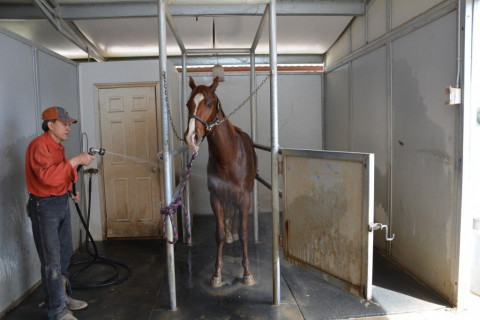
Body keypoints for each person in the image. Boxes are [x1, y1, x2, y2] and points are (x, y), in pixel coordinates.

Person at [25, 106, 95, 320]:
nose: (68, 128)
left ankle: (60, 297)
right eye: (64, 124)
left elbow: (62, 174)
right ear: (51, 125)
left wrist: (72, 190)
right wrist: (75, 161)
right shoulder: (38, 145)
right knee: (51, 260)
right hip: (44, 207)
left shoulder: (57, 147)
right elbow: (47, 177)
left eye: (69, 125)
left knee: (64, 255)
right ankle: (57, 311)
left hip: (60, 202)